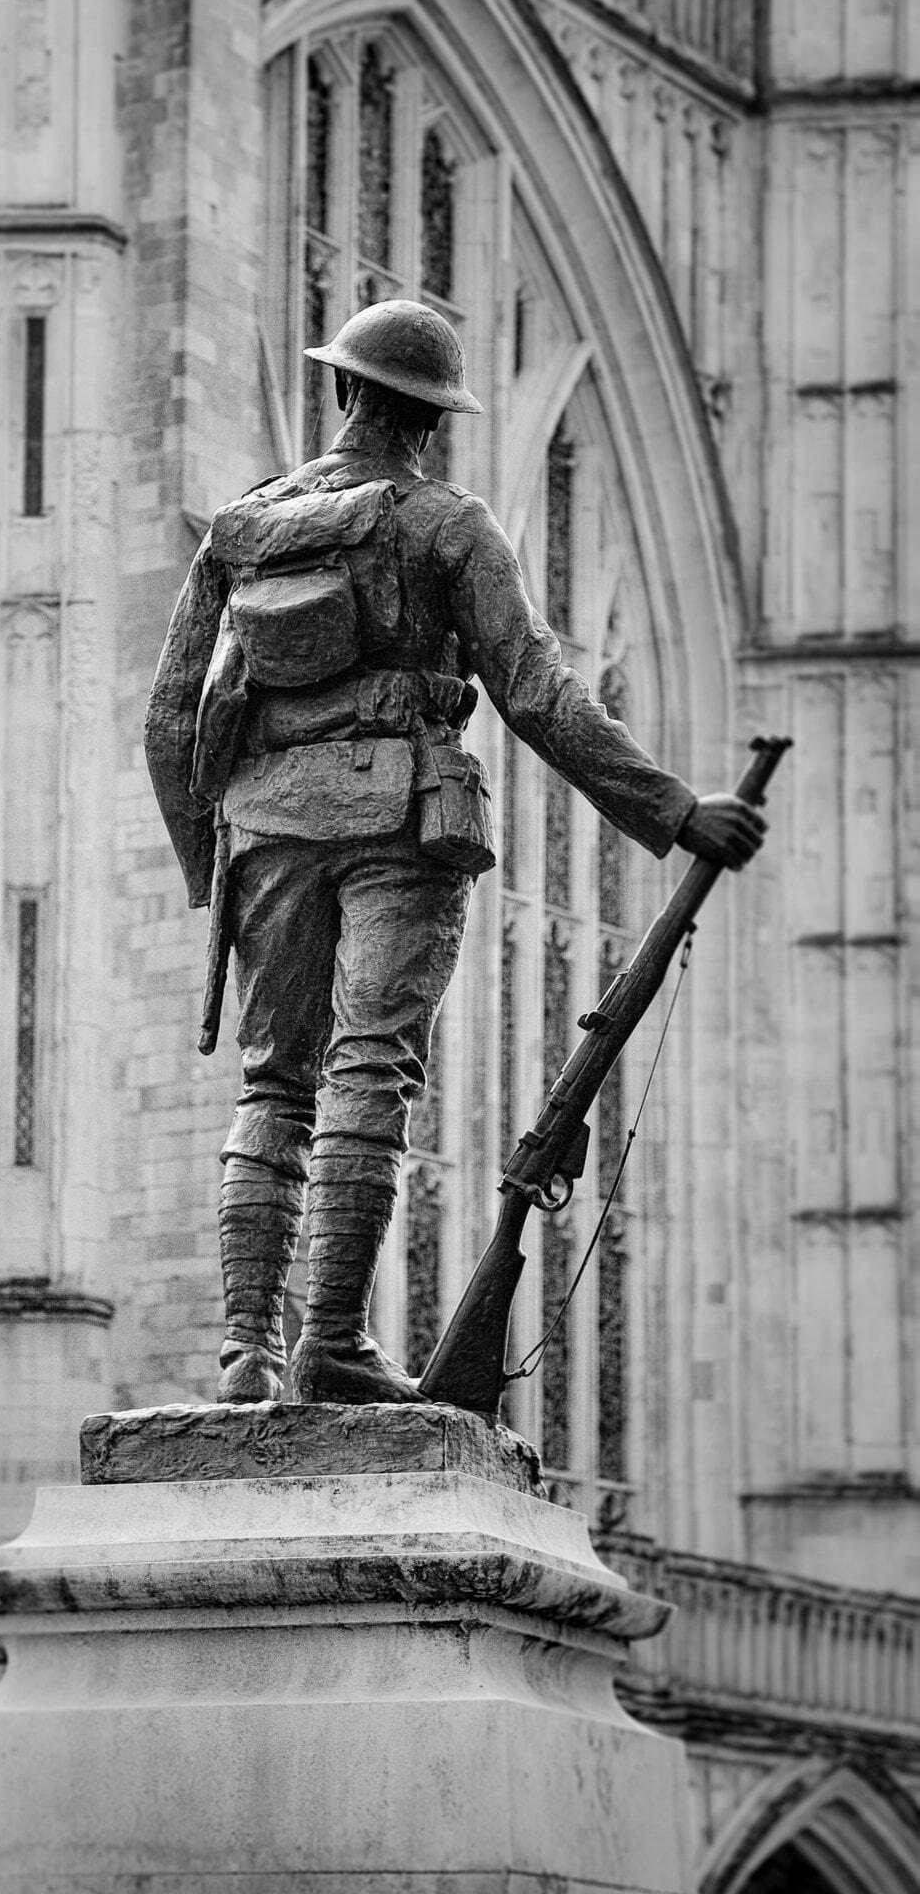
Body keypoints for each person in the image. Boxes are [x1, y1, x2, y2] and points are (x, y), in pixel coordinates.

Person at [144, 299, 764, 1407]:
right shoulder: (445, 523)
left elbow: (167, 723)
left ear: (343, 391)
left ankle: (245, 1347)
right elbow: (536, 690)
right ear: (432, 420)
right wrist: (673, 811)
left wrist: (215, 864)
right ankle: (330, 1338)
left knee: (272, 1080)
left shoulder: (241, 525)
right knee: (369, 1068)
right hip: (401, 822)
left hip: (265, 829)